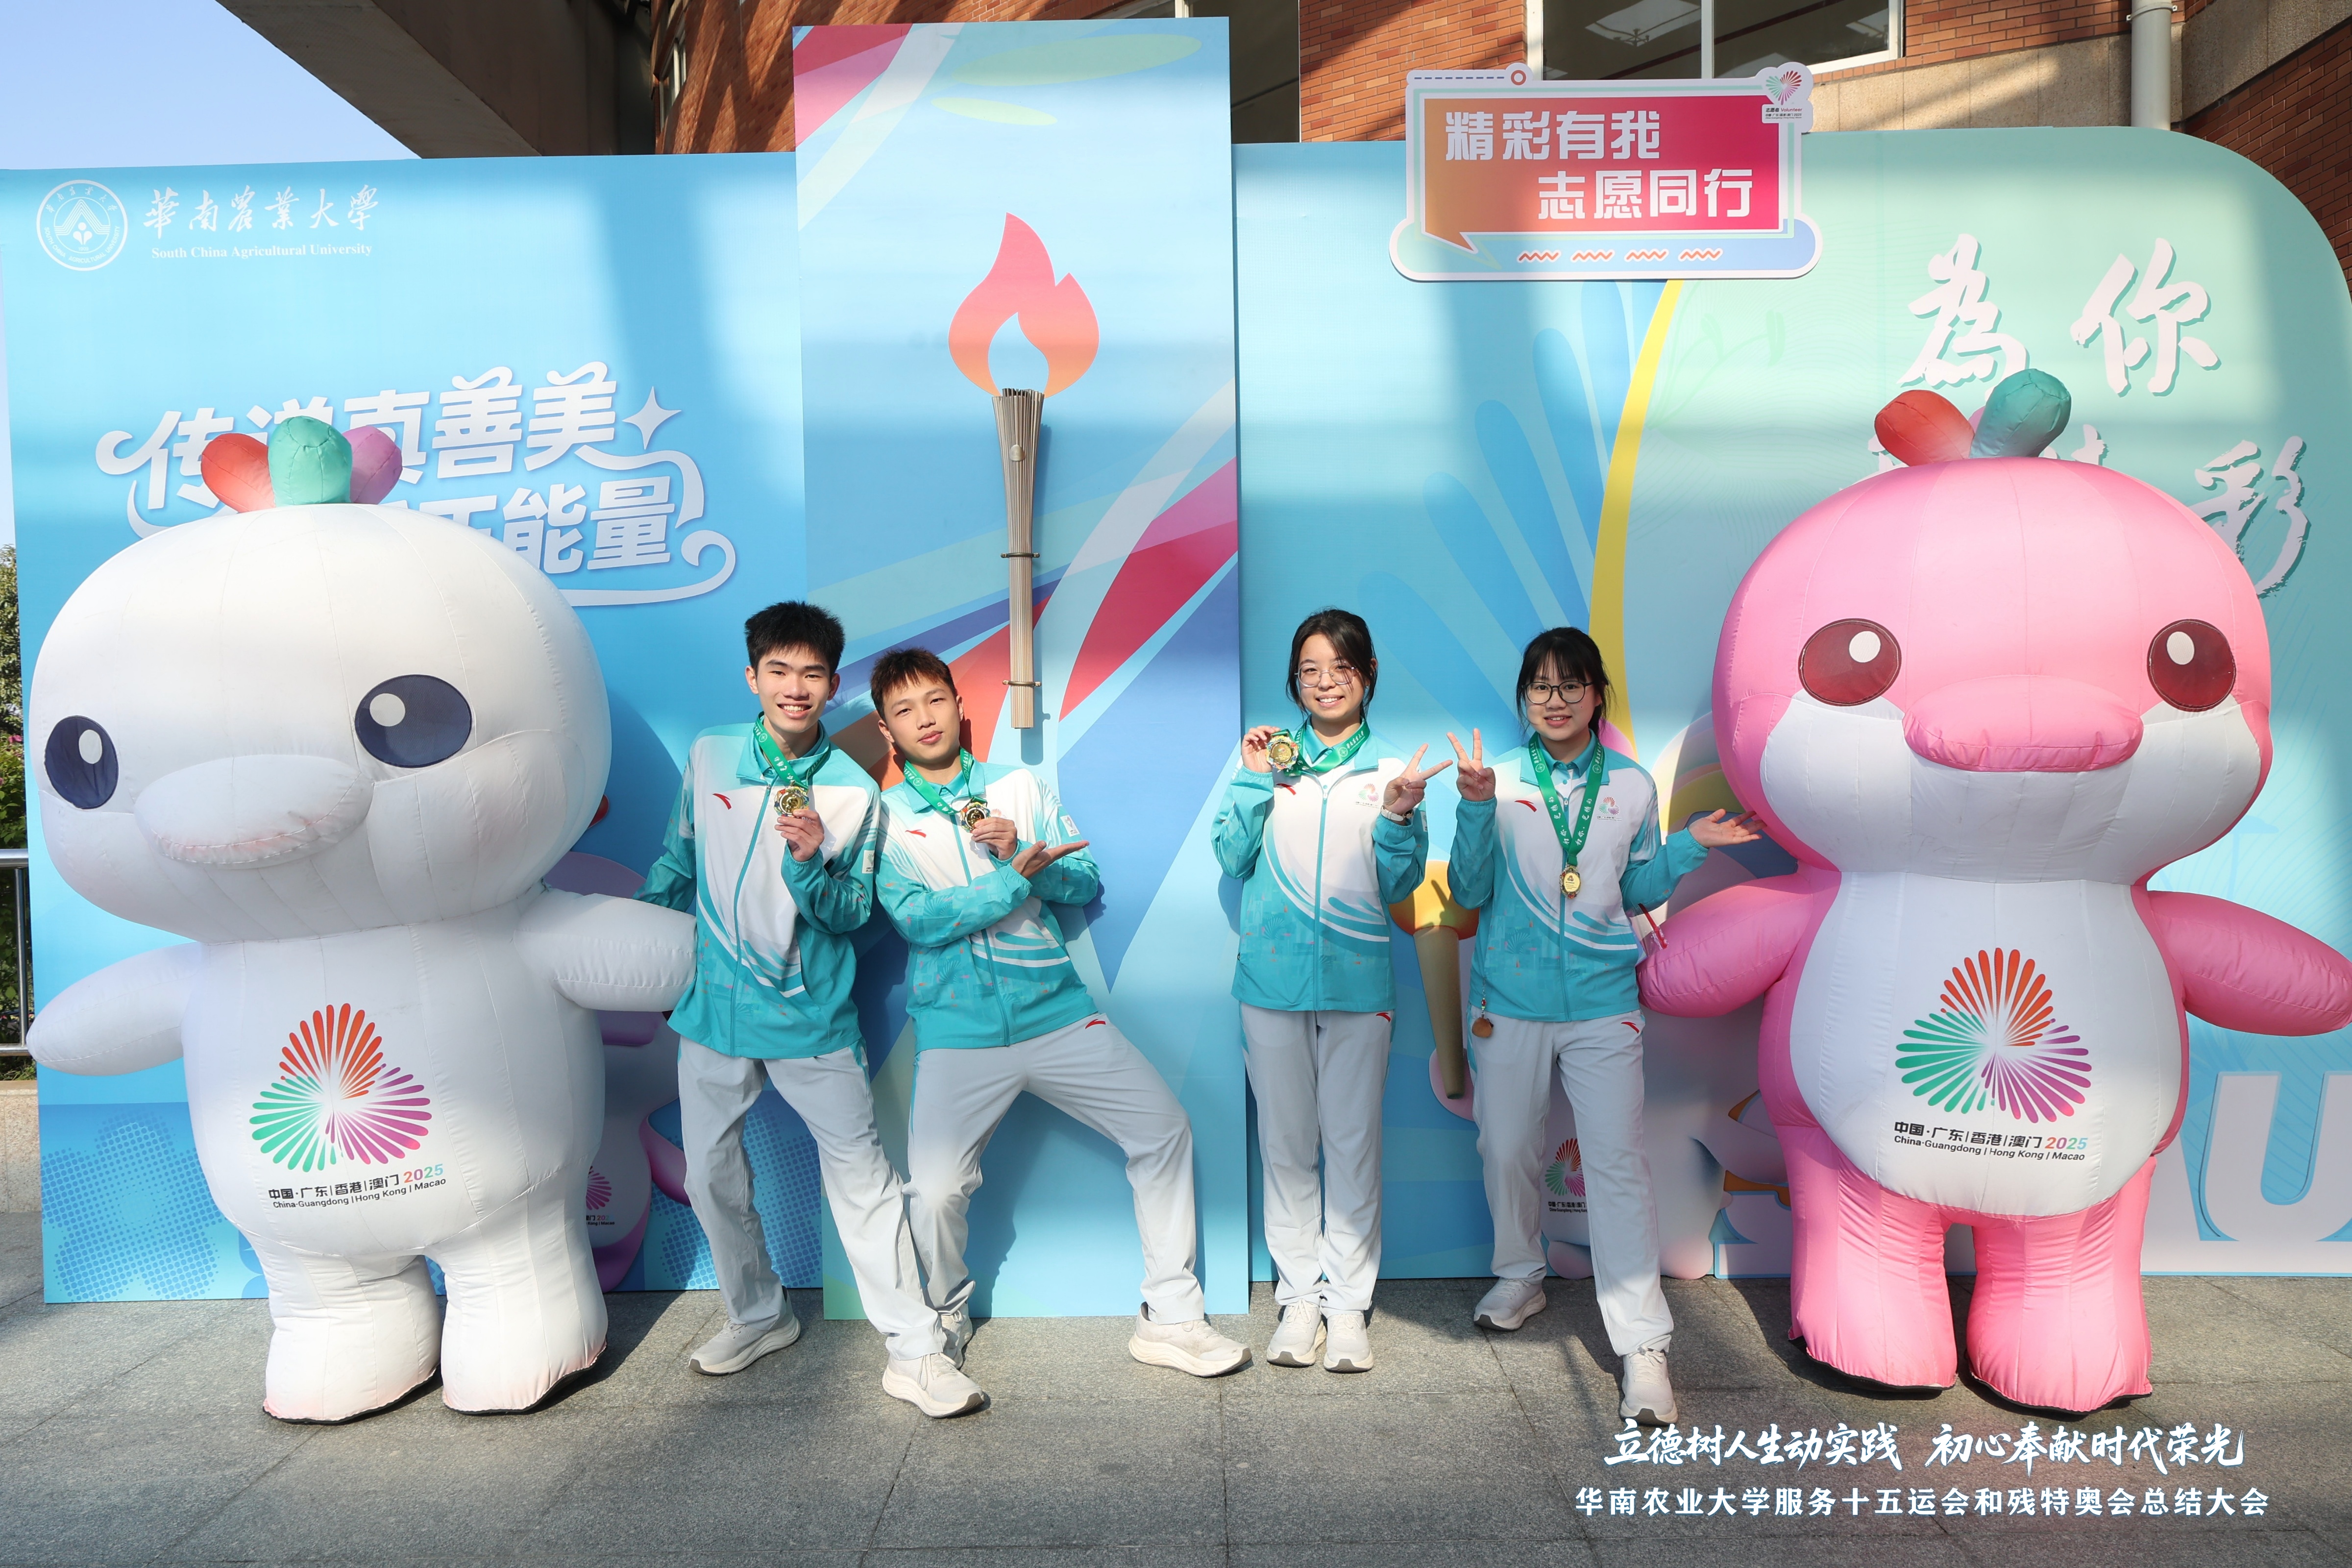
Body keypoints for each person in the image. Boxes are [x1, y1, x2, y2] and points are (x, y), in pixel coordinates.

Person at [637, 603, 985, 1419]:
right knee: (709, 1175)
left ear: (832, 686)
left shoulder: (854, 791)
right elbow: (678, 858)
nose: (796, 688)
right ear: (753, 677)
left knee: (863, 1184)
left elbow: (850, 911)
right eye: (780, 671)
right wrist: (646, 956)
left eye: (813, 674)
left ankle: (915, 1352)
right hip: (713, 1012)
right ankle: (758, 1315)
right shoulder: (711, 753)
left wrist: (806, 862)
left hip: (809, 1017)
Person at [870, 647, 1250, 1378]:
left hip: (1057, 1015)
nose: (925, 719)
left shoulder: (1019, 787)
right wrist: (1014, 881)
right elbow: (918, 920)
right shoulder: (884, 819)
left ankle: (1171, 1315)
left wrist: (1024, 852)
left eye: (935, 701)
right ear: (888, 731)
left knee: (1164, 1130)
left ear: (959, 707)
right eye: (904, 711)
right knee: (937, 1190)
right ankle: (945, 1314)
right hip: (957, 1032)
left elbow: (1083, 881)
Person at [1446, 626, 1760, 1425]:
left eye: (1570, 685)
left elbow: (1640, 886)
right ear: (1525, 698)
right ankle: (1520, 1276)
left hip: (1602, 1003)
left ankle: (1644, 1345)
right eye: (1540, 686)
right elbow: (1471, 891)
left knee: (1616, 1167)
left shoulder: (1631, 785)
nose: (1554, 700)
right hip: (1508, 1003)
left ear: (1596, 696)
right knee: (1505, 1148)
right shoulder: (1497, 780)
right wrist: (1475, 807)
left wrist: (1690, 847)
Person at [1213, 608, 1449, 1372]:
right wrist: (1253, 779)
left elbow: (1400, 886)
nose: (1325, 683)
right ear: (1295, 681)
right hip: (1270, 980)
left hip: (1357, 981)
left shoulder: (1393, 772)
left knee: (1352, 1144)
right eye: (1310, 670)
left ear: (1367, 675)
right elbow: (1231, 855)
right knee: (1286, 1148)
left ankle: (1347, 1307)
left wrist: (1400, 817)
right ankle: (1299, 1301)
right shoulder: (1269, 761)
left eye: (1341, 668)